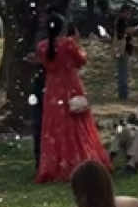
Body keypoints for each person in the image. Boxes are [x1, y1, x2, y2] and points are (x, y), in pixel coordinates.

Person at [35, 14, 110, 183]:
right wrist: (77, 42)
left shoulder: (42, 46)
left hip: (52, 90)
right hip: (70, 87)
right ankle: (79, 161)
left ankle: (55, 165)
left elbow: (46, 63)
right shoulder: (68, 44)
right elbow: (81, 60)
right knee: (77, 125)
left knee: (54, 127)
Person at [112, 7, 134, 101]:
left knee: (124, 72)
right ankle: (123, 94)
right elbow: (123, 32)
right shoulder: (121, 21)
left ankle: (124, 93)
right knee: (123, 72)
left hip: (125, 49)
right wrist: (133, 29)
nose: (129, 15)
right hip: (122, 49)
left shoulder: (122, 21)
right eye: (128, 13)